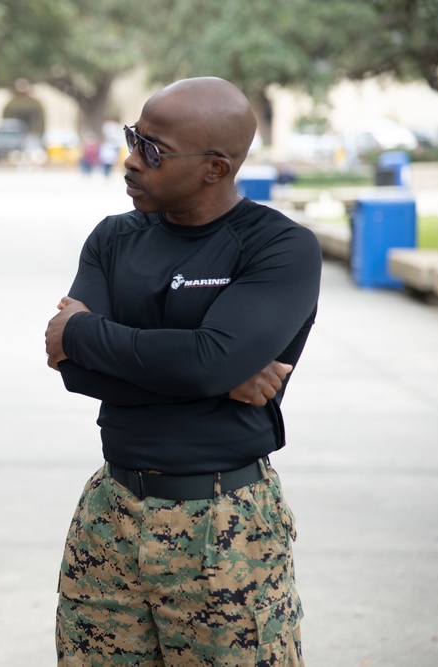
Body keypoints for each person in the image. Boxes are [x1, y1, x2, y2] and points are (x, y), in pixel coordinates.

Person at [45, 77, 321, 665]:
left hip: (224, 527)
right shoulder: (113, 239)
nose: (131, 159)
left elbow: (202, 361)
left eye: (154, 150)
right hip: (110, 515)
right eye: (133, 138)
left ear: (215, 169)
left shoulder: (279, 247)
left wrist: (88, 335)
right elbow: (73, 371)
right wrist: (216, 370)